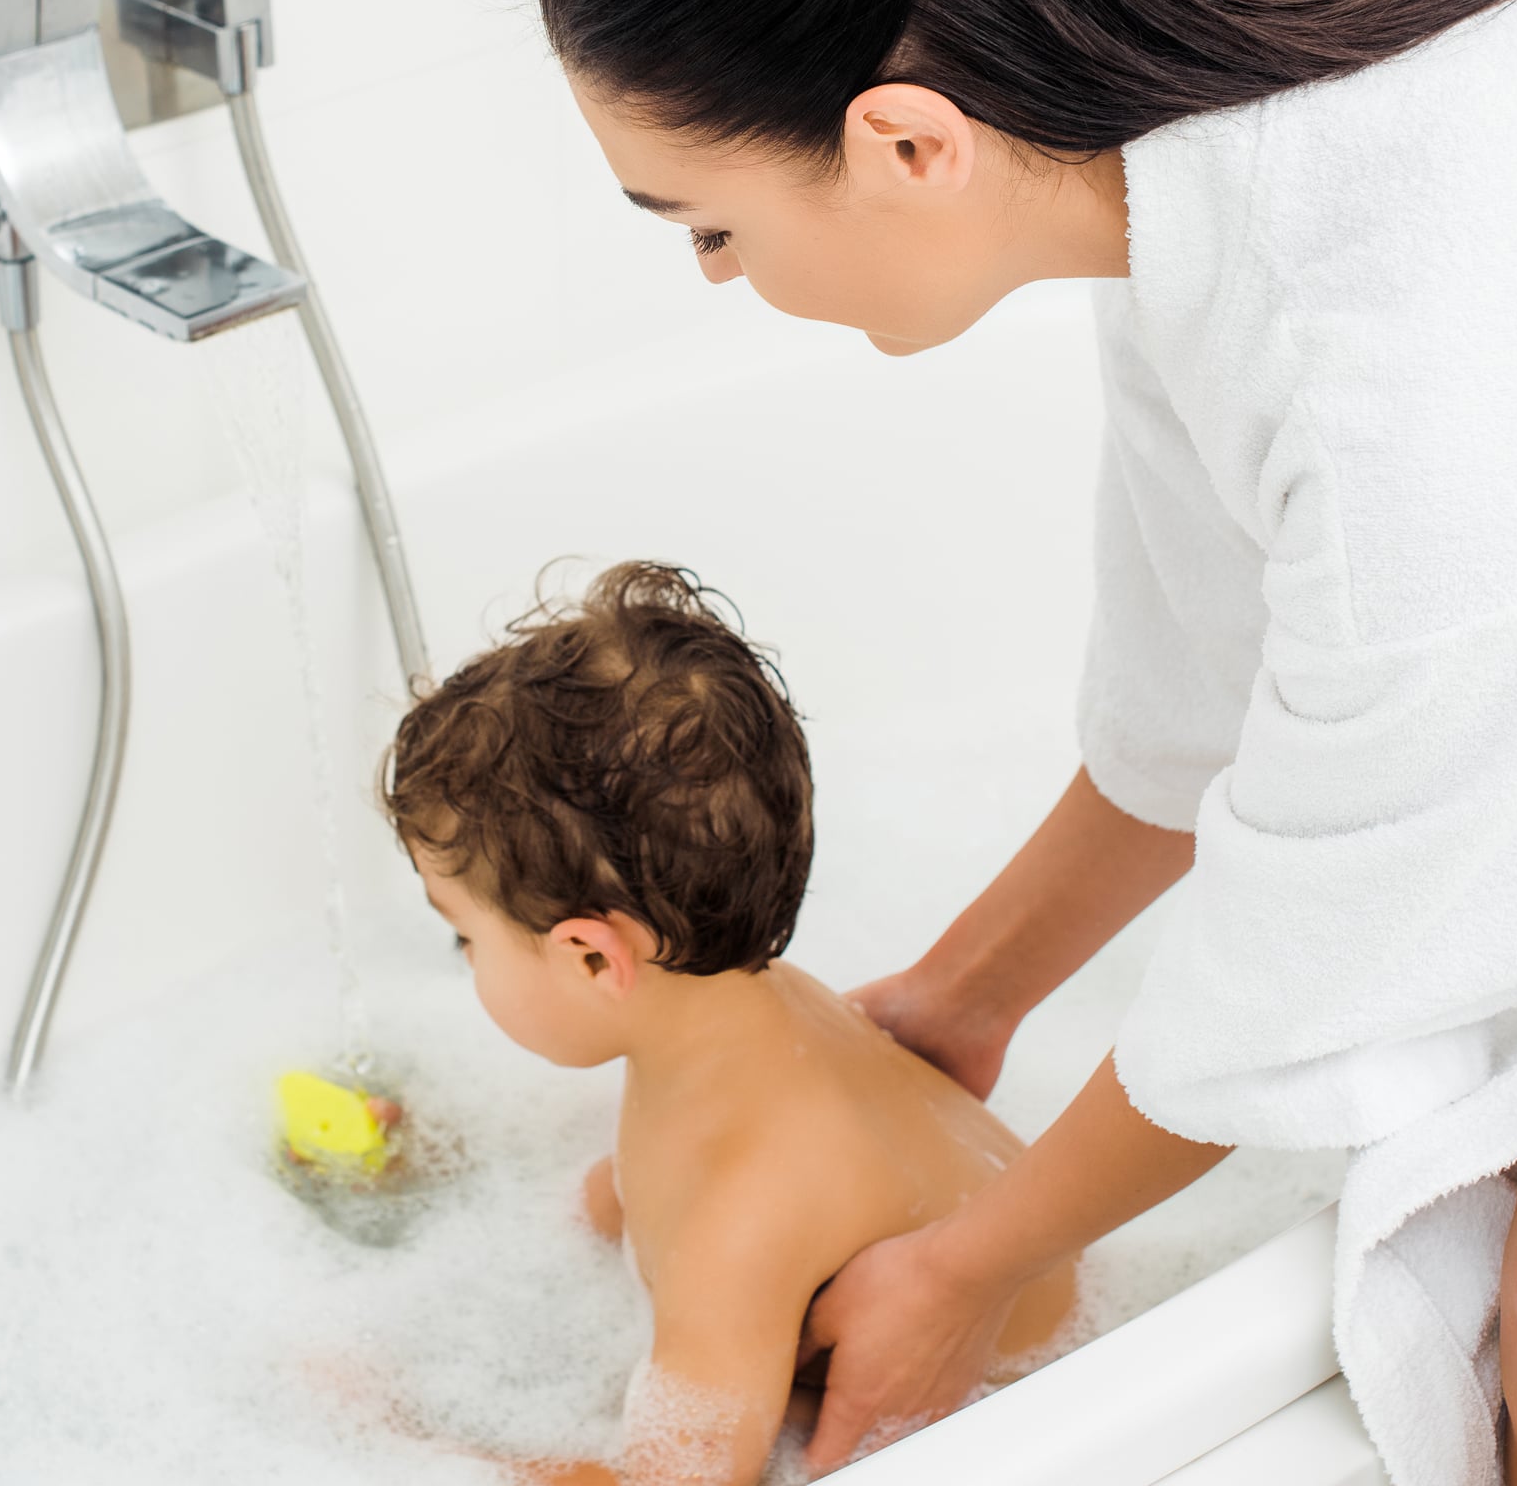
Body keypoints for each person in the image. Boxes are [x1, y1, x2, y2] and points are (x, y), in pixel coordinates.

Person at [533, 0, 1517, 1486]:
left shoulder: (1410, 418)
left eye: (707, 223)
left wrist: (970, 1260)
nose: (715, 278)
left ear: (905, 145)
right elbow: (1208, 692)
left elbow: (1304, 972)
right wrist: (960, 995)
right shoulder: (1212, 130)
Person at [378, 561, 1085, 1486]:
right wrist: (452, 1178)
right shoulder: (758, 1013)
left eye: (465, 939)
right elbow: (643, 1186)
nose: (467, 961)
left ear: (595, 958)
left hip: (1043, 1414)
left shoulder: (738, 1223)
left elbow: (678, 1483)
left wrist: (404, 1442)